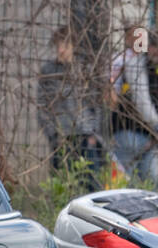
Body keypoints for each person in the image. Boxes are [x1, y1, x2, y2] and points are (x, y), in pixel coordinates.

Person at [37, 26, 104, 187]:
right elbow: (42, 105)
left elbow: (96, 103)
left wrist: (93, 133)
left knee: (91, 184)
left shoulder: (84, 70)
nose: (61, 50)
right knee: (61, 184)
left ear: (73, 46)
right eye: (58, 45)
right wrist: (53, 133)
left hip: (84, 134)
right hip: (61, 136)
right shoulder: (48, 71)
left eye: (65, 45)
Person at [108, 25, 158, 186]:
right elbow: (141, 100)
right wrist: (157, 126)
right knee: (131, 184)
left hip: (147, 135)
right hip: (129, 130)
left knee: (146, 183)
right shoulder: (133, 63)